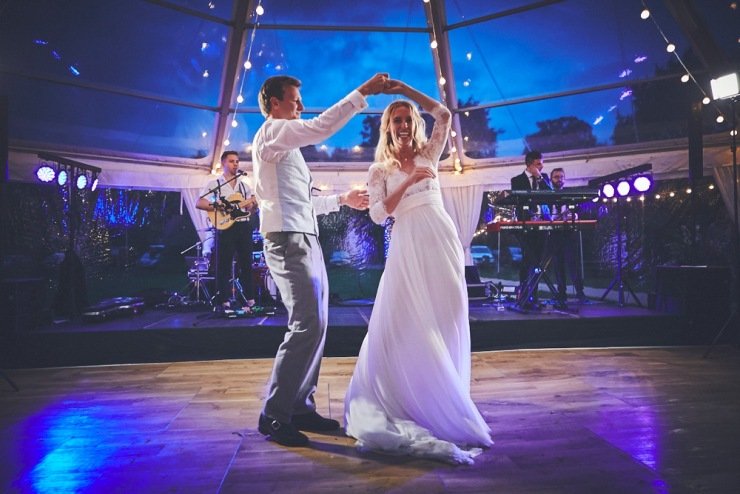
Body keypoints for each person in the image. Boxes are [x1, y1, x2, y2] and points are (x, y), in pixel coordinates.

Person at [343, 80, 493, 465]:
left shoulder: (431, 151)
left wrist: (405, 90)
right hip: (408, 244)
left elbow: (443, 113)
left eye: (408, 117)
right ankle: (408, 395)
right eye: (397, 119)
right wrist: (407, 179)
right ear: (387, 127)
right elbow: (378, 214)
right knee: (407, 318)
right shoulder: (380, 169)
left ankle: (443, 393)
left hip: (441, 240)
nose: (404, 124)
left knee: (447, 315)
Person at [252, 74, 386, 447]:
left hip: (305, 239)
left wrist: (343, 199)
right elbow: (321, 127)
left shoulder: (287, 148)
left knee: (318, 323)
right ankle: (274, 415)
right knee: (305, 323)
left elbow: (305, 202)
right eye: (295, 99)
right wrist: (362, 92)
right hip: (286, 241)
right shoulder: (273, 133)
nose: (300, 105)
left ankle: (299, 406)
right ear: (274, 103)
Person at [196, 151, 257, 310]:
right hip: (225, 227)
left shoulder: (245, 187)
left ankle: (249, 299)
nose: (235, 164)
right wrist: (218, 206)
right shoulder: (215, 184)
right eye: (231, 161)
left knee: (247, 263)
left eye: (237, 161)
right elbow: (200, 203)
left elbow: (249, 212)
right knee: (224, 264)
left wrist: (253, 206)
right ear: (223, 163)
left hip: (243, 227)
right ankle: (224, 300)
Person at [510, 150, 552, 307]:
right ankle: (524, 294)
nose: (541, 166)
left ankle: (534, 295)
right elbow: (519, 199)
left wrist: (540, 178)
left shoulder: (543, 179)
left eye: (542, 163)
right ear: (529, 164)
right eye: (538, 163)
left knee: (539, 262)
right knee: (528, 260)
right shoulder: (517, 180)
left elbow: (550, 194)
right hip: (526, 225)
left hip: (542, 224)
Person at [549, 167, 587, 304]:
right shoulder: (547, 195)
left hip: (569, 232)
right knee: (558, 264)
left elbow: (579, 209)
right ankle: (561, 293)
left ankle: (580, 292)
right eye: (556, 177)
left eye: (561, 177)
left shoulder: (570, 194)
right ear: (551, 179)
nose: (559, 179)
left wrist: (575, 215)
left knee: (573, 263)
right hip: (553, 233)